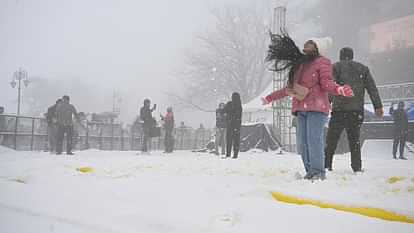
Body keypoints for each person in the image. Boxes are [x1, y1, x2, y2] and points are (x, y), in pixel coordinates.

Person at [262, 34, 353, 180]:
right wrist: (270, 98)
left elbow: (326, 83)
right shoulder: (300, 64)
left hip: (317, 108)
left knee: (313, 140)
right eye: (306, 43)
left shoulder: (323, 62)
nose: (306, 45)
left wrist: (339, 89)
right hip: (301, 109)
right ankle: (310, 171)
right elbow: (290, 88)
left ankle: (318, 172)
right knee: (302, 144)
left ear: (318, 48)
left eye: (310, 43)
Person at [325, 47, 383, 172]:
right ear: (352, 56)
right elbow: (372, 89)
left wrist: (327, 103)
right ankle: (356, 167)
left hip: (339, 110)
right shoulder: (363, 69)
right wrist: (378, 106)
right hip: (356, 111)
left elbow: (330, 86)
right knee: (354, 140)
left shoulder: (335, 67)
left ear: (340, 56)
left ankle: (327, 165)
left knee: (332, 140)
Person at [224, 92, 243, 159]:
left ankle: (228, 153)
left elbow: (225, 111)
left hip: (230, 125)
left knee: (229, 140)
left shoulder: (230, 104)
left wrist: (229, 118)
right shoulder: (239, 106)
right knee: (236, 141)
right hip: (236, 126)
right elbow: (238, 116)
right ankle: (235, 154)